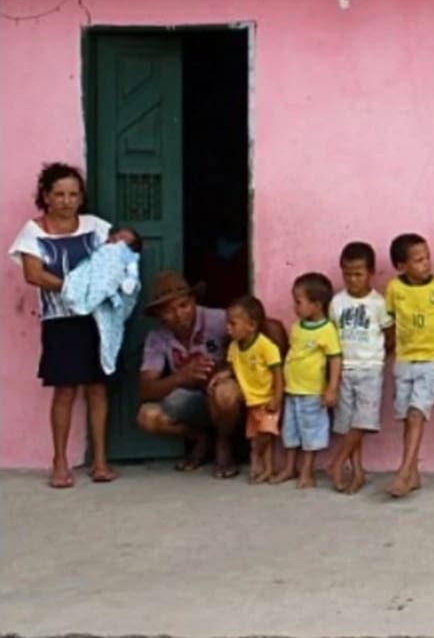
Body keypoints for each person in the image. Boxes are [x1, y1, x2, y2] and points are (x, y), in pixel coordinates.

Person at [9, 162, 116, 488]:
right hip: (60, 321)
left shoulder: (96, 227)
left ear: (81, 196)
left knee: (97, 388)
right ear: (46, 196)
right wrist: (75, 290)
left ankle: (100, 460)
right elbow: (33, 274)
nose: (67, 201)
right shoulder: (34, 232)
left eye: (73, 194)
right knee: (66, 390)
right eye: (59, 194)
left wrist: (97, 293)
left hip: (97, 319)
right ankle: (60, 461)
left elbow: (113, 262)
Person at [136, 270, 287, 478]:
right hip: (192, 402)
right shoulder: (157, 337)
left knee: (224, 392)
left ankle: (223, 442)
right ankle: (201, 439)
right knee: (147, 417)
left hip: (228, 397)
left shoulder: (218, 319)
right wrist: (182, 376)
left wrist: (275, 380)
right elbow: (146, 390)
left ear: (193, 301)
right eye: (169, 311)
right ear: (159, 316)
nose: (180, 315)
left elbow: (270, 326)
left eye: (184, 305)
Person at [386, 233, 434, 498]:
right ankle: (413, 473)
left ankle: (404, 471)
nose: (426, 263)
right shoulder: (394, 289)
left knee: (416, 413)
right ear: (402, 266)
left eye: (427, 258)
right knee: (406, 418)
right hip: (404, 360)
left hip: (432, 360)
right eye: (419, 260)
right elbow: (390, 321)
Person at [328, 242, 394, 494]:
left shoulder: (378, 303)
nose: (353, 279)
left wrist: (377, 358)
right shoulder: (337, 302)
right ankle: (357, 471)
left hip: (370, 370)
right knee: (348, 424)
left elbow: (390, 335)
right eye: (347, 274)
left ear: (371, 272)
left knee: (363, 422)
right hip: (344, 369)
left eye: (358, 274)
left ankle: (337, 463)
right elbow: (332, 336)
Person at [272, 273, 342, 488]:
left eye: (298, 302)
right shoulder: (297, 327)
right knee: (290, 432)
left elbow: (334, 359)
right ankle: (289, 467)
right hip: (292, 391)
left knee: (311, 433)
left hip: (312, 392)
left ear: (317, 305)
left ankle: (307, 471)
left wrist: (331, 388)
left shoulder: (327, 330)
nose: (295, 306)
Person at [61, 226, 142, 377]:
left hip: (110, 296)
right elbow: (92, 265)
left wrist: (127, 280)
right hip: (91, 298)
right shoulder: (100, 249)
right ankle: (87, 298)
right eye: (117, 236)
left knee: (109, 329)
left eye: (123, 239)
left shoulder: (125, 254)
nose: (118, 240)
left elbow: (126, 270)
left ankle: (108, 359)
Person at [219, 296, 282, 483]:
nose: (227, 328)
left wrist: (277, 397)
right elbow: (232, 368)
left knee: (262, 438)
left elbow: (278, 373)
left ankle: (255, 459)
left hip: (268, 400)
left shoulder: (266, 347)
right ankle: (267, 469)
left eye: (233, 323)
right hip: (252, 402)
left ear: (252, 325)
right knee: (265, 438)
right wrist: (222, 376)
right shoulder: (234, 347)